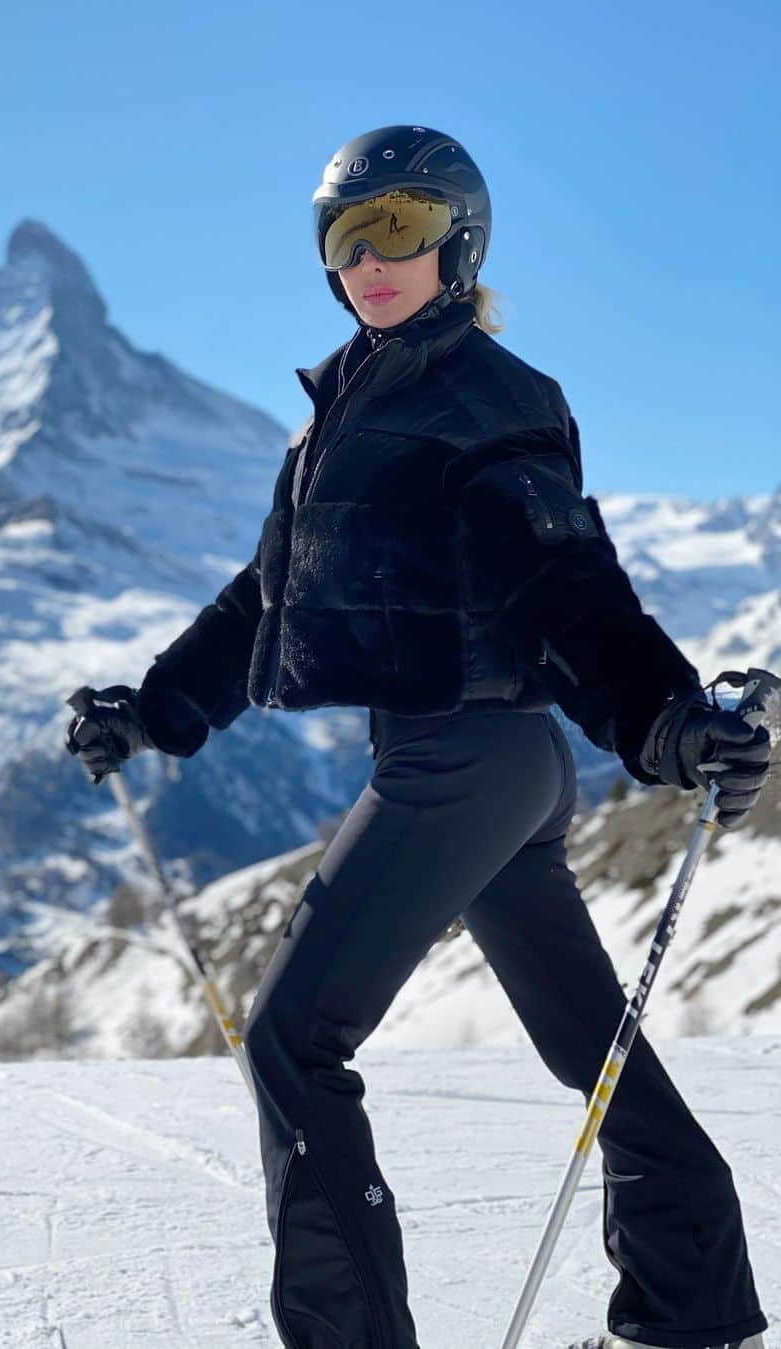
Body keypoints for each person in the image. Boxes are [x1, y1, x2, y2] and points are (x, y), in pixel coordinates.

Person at [65, 125, 772, 1349]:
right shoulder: (341, 402)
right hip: (467, 767)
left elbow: (571, 586)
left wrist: (664, 719)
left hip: (470, 761)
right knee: (589, 1044)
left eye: (399, 225)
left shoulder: (493, 398)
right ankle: (693, 1306)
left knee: (294, 1038)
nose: (370, 257)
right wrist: (156, 706)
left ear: (462, 237)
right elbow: (268, 599)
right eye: (345, 235)